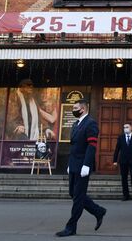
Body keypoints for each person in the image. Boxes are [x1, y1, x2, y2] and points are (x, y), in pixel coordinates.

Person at [56, 100, 106, 237]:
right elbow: (74, 147)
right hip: (73, 164)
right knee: (73, 193)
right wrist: (69, 164)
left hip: (83, 165)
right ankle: (98, 211)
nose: (73, 109)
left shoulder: (90, 123)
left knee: (78, 197)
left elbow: (92, 146)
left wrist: (86, 165)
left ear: (83, 109)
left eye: (75, 108)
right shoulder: (76, 124)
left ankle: (70, 227)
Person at [113, 123, 132, 201]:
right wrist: (115, 160)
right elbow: (117, 149)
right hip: (123, 161)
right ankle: (125, 195)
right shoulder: (121, 137)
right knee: (124, 178)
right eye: (124, 127)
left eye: (127, 127)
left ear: (131, 128)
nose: (125, 128)